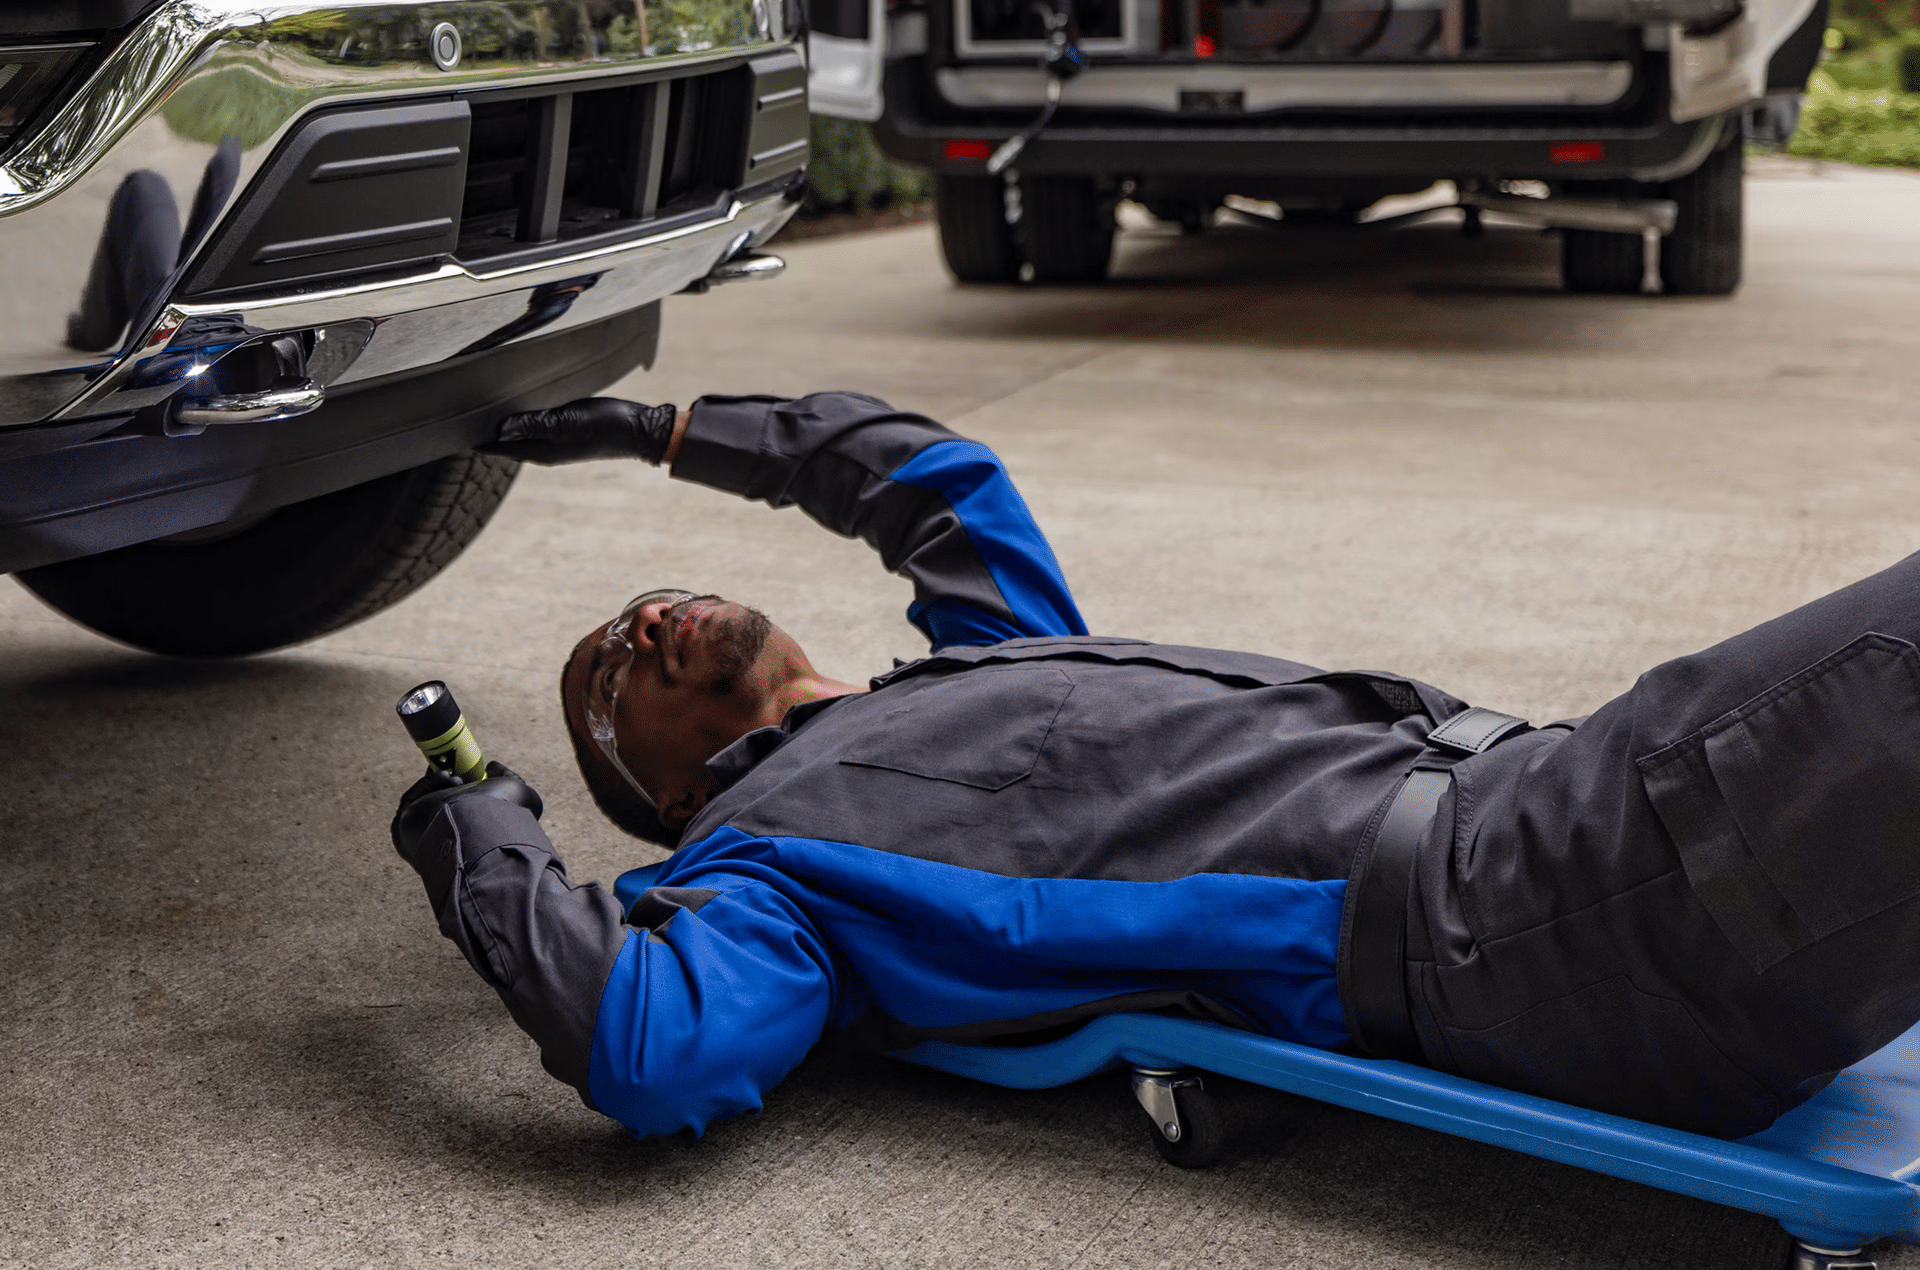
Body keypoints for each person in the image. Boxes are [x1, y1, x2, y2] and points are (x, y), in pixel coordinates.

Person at [391, 389, 1920, 1148]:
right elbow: (644, 1042)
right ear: (666, 801)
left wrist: (668, 430)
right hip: (1533, 908)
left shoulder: (992, 652)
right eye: (611, 673)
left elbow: (928, 481)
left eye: (649, 600)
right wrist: (481, 831)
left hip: (1560, 807)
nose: (645, 623)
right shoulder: (759, 875)